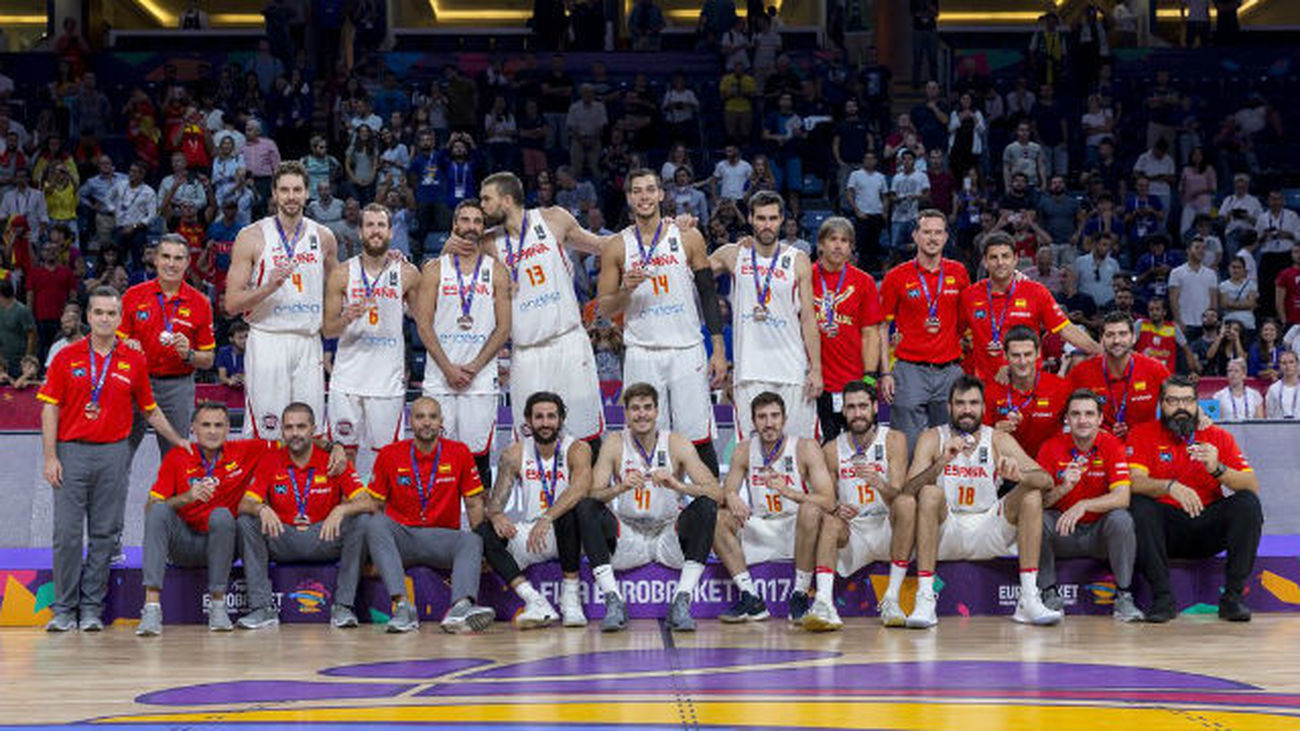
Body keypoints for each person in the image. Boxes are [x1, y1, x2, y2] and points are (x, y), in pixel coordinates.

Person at [38, 286, 189, 632]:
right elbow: (50, 408)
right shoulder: (66, 356)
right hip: (71, 451)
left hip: (114, 453)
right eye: (98, 312)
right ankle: (64, 609)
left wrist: (179, 440)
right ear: (88, 317)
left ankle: (92, 608)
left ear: (121, 319)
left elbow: (150, 410)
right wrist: (50, 456)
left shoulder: (134, 359)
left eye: (111, 313)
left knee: (106, 534)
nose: (105, 318)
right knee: (67, 534)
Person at [443, 172, 611, 452]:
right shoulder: (488, 243)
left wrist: (657, 231)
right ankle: (538, 496)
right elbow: (449, 269)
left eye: (487, 199)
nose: (482, 206)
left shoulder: (553, 219)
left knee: (585, 435)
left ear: (506, 201)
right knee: (531, 440)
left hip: (567, 341)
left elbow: (603, 245)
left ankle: (592, 497)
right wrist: (447, 248)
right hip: (526, 352)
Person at [597, 170, 727, 474]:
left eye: (650, 190)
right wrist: (625, 290)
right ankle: (657, 508)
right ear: (629, 197)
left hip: (686, 349)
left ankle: (710, 507)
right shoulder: (616, 246)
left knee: (697, 435)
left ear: (661, 195)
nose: (644, 196)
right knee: (646, 436)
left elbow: (708, 294)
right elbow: (604, 308)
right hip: (642, 351)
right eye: (637, 191)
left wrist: (718, 350)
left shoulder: (687, 236)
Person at [905, 375, 1061, 628]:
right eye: (960, 403)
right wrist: (942, 462)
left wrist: (1019, 476)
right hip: (947, 529)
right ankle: (925, 598)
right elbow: (908, 491)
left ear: (984, 408)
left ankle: (1029, 598)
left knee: (1031, 493)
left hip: (989, 528)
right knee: (929, 494)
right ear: (949, 407)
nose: (967, 409)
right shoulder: (933, 438)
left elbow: (1046, 479)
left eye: (974, 403)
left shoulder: (997, 439)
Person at [1127, 375, 1262, 622]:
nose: (1180, 407)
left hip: (1208, 526)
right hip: (1166, 530)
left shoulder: (1218, 436)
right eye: (1173, 400)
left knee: (1247, 504)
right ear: (1161, 403)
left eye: (1187, 400)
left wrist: (1217, 468)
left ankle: (1233, 598)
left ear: (1197, 404)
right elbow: (1134, 481)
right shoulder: (1143, 433)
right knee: (1139, 506)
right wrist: (1169, 487)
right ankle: (1162, 598)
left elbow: (1251, 485)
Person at [589, 383, 722, 631]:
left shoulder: (677, 443)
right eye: (636, 409)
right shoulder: (615, 442)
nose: (642, 414)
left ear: (657, 411)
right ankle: (613, 600)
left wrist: (678, 486)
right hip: (628, 535)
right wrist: (619, 488)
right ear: (626, 414)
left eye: (647, 408)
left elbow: (716, 491)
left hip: (668, 533)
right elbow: (593, 494)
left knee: (706, 506)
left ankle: (682, 600)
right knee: (586, 507)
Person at [475, 392, 612, 629]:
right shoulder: (514, 453)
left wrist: (548, 516)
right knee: (483, 532)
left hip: (570, 534)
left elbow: (580, 489)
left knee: (571, 509)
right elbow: (495, 504)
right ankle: (534, 600)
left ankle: (571, 599)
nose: (545, 423)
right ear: (528, 421)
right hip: (533, 536)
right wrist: (496, 516)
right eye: (539, 417)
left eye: (551, 416)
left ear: (561, 419)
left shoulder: (577, 448)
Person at [225, 161, 339, 440]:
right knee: (267, 429)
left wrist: (386, 262)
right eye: (285, 190)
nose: (291, 196)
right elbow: (231, 304)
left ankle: (305, 485)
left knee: (309, 429)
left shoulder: (324, 237)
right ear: (274, 194)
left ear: (307, 193)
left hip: (307, 341)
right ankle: (261, 484)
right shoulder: (251, 236)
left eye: (297, 190)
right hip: (267, 339)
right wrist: (268, 286)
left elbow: (344, 285)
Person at [365, 396, 497, 633]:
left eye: (432, 417)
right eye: (420, 416)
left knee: (472, 539)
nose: (426, 422)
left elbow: (474, 505)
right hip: (403, 537)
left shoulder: (459, 452)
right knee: (375, 523)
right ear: (410, 421)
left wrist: (483, 552)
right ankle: (404, 608)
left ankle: (461, 609)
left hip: (442, 538)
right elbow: (375, 505)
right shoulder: (389, 454)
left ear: (441, 422)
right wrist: (375, 553)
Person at [235, 402, 371, 630]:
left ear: (313, 429)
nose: (295, 433)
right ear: (282, 431)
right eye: (289, 428)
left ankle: (344, 606)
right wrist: (261, 508)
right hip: (283, 537)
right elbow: (243, 504)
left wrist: (341, 509)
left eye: (301, 427)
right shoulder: (270, 460)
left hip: (324, 537)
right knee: (246, 520)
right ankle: (262, 608)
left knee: (362, 520)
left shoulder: (334, 461)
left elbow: (368, 502)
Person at [135, 403, 262, 635]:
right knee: (159, 511)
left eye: (218, 425)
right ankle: (151, 608)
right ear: (193, 429)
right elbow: (150, 508)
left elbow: (291, 442)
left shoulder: (245, 451)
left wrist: (331, 446)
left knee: (223, 515)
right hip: (185, 544)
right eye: (205, 425)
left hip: (223, 544)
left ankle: (218, 606)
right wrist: (187, 497)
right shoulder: (178, 457)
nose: (212, 431)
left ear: (227, 429)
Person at [712, 391, 835, 624]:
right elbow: (723, 494)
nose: (769, 423)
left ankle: (799, 594)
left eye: (774, 416)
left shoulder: (805, 447)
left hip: (796, 527)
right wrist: (730, 496)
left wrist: (790, 492)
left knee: (810, 510)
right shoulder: (743, 450)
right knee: (717, 519)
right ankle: (751, 598)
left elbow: (828, 501)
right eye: (762, 417)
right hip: (760, 525)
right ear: (753, 421)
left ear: (784, 419)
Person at [708, 190, 822, 440]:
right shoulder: (733, 254)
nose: (767, 225)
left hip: (792, 370)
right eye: (761, 218)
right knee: (751, 453)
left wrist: (816, 369)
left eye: (772, 218)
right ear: (750, 219)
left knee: (800, 449)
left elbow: (808, 319)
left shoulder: (798, 259)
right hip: (749, 370)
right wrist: (681, 229)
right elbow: (691, 271)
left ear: (782, 220)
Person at [802, 381, 912, 631]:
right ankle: (824, 603)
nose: (857, 413)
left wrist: (878, 483)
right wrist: (837, 507)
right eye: (851, 407)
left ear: (875, 407)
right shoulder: (831, 449)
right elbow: (826, 500)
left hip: (887, 527)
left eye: (863, 406)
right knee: (829, 519)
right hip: (853, 532)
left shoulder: (894, 440)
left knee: (906, 505)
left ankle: (891, 599)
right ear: (844, 411)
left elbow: (898, 497)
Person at [417, 199, 511, 484]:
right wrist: (448, 369)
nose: (471, 227)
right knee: (435, 455)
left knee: (478, 459)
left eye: (477, 221)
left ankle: (479, 526)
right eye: (465, 220)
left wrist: (473, 367)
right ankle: (436, 522)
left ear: (484, 228)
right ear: (455, 225)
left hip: (480, 378)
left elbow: (504, 327)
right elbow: (423, 324)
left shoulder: (496, 270)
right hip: (439, 376)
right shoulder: (434, 269)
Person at [322, 203, 420, 461]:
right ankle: (346, 502)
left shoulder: (408, 273)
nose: (375, 231)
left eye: (381, 225)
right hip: (347, 379)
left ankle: (382, 504)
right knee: (343, 457)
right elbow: (329, 330)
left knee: (389, 459)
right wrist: (346, 317)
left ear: (390, 232)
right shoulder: (341, 274)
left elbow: (422, 319)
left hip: (387, 380)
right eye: (370, 225)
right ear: (360, 232)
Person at [1035, 390, 1144, 621]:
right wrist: (1064, 487)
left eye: (1089, 414)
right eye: (1075, 414)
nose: (1082, 420)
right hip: (1063, 532)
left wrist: (1084, 505)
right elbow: (1039, 502)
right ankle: (1048, 592)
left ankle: (1124, 596)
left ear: (1100, 419)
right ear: (1067, 418)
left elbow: (1123, 497)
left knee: (1121, 519)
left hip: (1099, 535)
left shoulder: (1113, 446)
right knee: (1036, 519)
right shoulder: (1050, 447)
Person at [879, 209, 971, 454]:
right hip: (909, 370)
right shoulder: (896, 276)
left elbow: (966, 321)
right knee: (908, 445)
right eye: (926, 232)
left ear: (946, 237)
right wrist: (885, 373)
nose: (932, 238)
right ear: (915, 236)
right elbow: (881, 327)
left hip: (950, 370)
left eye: (938, 232)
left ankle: (944, 492)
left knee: (951, 443)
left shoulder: (959, 273)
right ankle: (910, 491)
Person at [959, 232, 1097, 382]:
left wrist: (1100, 351)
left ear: (1015, 259)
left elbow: (1065, 329)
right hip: (985, 386)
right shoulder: (970, 295)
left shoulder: (1036, 292)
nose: (1000, 262)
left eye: (1005, 256)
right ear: (985, 261)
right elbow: (955, 334)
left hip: (1028, 385)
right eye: (994, 257)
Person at [808, 217, 881, 441]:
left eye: (845, 241)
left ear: (851, 248)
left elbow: (870, 333)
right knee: (822, 448)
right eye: (833, 239)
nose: (838, 245)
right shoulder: (805, 277)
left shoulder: (864, 281)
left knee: (859, 446)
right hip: (815, 382)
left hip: (853, 381)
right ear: (820, 244)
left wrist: (869, 379)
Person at [1069, 311, 1171, 438]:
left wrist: (1200, 416)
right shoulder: (1081, 372)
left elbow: (1178, 401)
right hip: (1099, 448)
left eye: (1122, 334)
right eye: (1110, 335)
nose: (1116, 340)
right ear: (1101, 339)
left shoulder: (1155, 369)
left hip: (1144, 447)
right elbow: (1064, 415)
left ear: (1133, 338)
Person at [983, 326, 1070, 459]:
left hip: (1049, 468)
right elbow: (979, 441)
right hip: (1008, 470)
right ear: (1006, 356)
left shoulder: (1060, 387)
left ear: (1038, 353)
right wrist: (993, 433)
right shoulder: (992, 391)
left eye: (1028, 354)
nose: (1023, 362)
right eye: (1016, 355)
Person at [1264, 349, 1300, 420]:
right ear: (1280, 366)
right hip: (1279, 428)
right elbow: (1270, 413)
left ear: (1297, 365)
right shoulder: (1274, 388)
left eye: (1291, 362)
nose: (1288, 366)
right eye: (1284, 363)